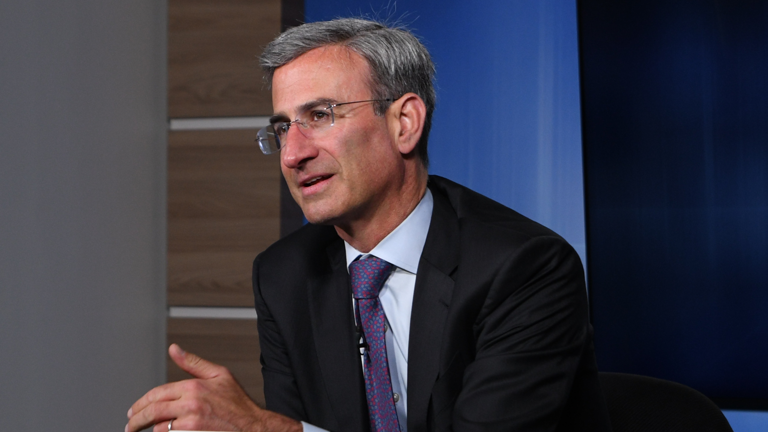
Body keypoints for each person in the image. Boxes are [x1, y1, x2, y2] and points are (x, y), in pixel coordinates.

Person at [126, 18, 611, 432]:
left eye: (320, 115)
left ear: (404, 123)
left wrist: (264, 428)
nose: (293, 154)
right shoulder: (283, 274)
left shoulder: (526, 269)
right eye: (282, 129)